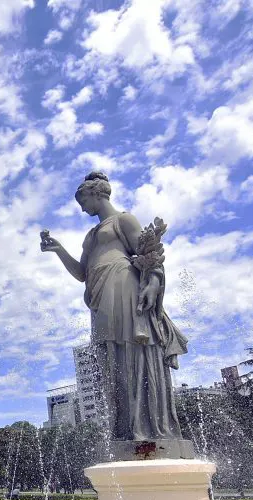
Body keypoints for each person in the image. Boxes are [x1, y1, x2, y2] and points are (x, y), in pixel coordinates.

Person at [41, 172, 188, 443]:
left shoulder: (123, 220)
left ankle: (148, 425)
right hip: (99, 295)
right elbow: (81, 273)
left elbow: (149, 255)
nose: (82, 208)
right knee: (111, 357)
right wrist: (59, 249)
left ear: (97, 194)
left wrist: (153, 282)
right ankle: (124, 426)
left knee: (133, 349)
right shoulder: (91, 235)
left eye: (83, 200)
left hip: (124, 287)